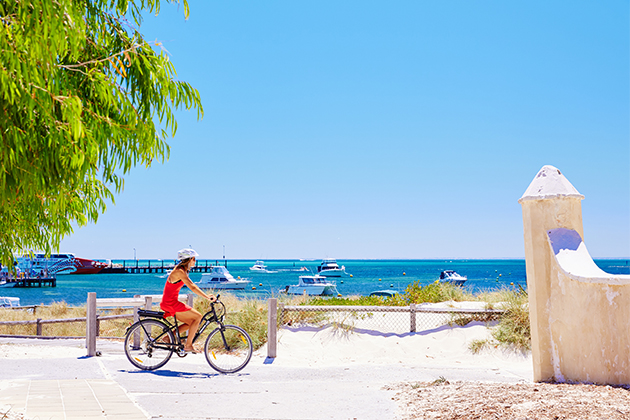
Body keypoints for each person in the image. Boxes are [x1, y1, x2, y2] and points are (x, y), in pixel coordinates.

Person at [160, 248, 215, 353]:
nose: (195, 261)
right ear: (190, 259)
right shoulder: (180, 271)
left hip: (171, 302)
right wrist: (207, 297)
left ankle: (168, 338)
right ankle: (188, 346)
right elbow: (192, 287)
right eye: (194, 259)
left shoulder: (182, 270)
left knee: (192, 322)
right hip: (170, 303)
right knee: (198, 317)